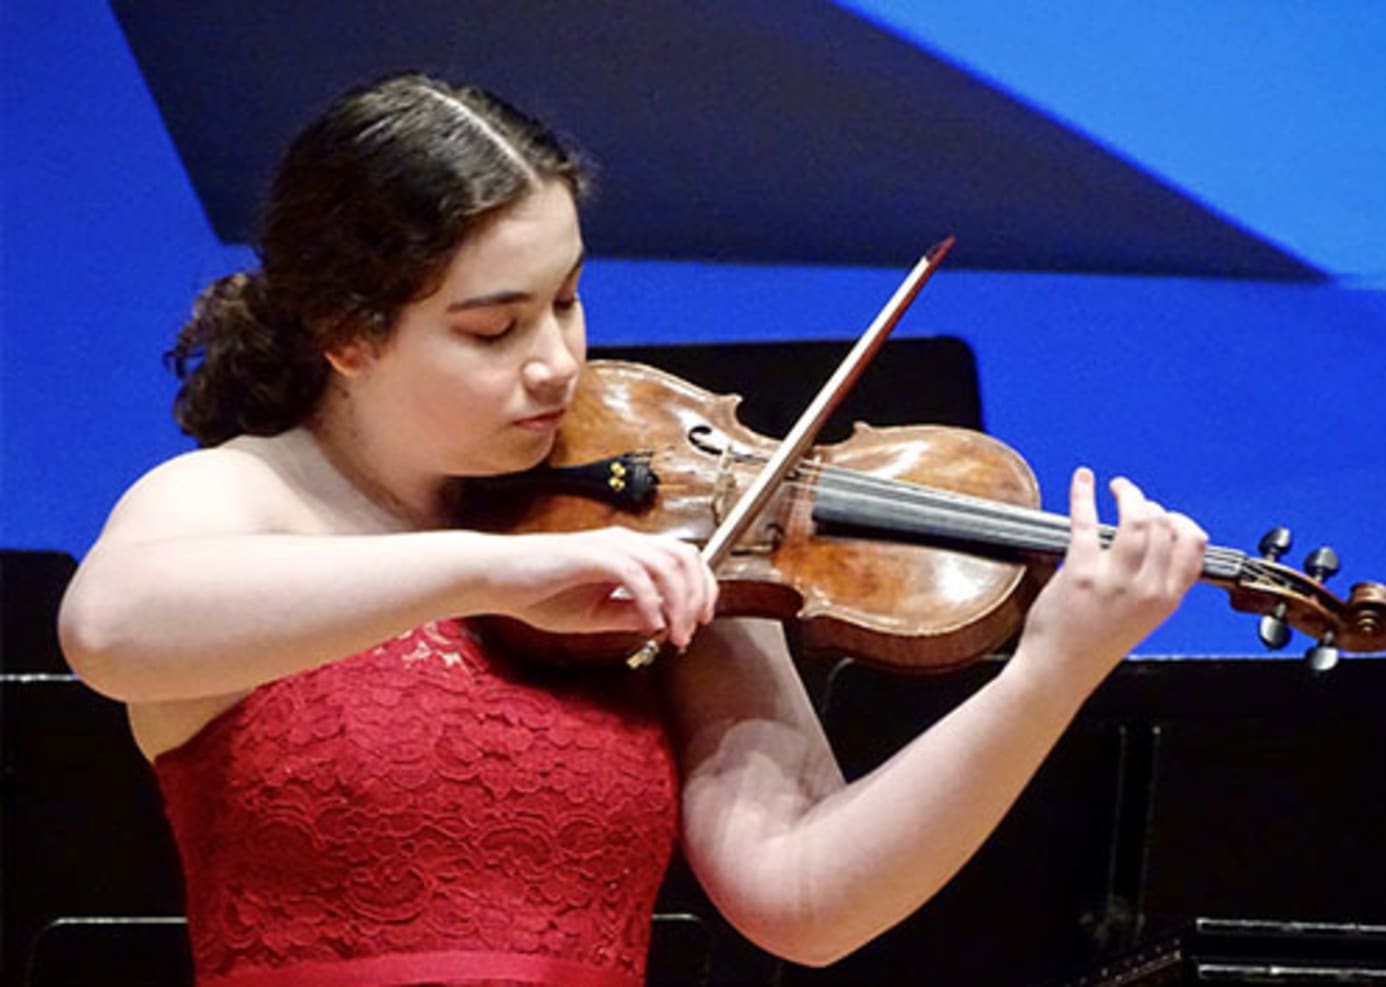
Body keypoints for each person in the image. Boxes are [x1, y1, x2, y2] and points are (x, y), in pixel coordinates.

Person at [58, 73, 1208, 987]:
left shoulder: (655, 527)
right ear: (346, 336)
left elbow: (807, 901)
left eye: (565, 298)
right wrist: (495, 573)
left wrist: (1049, 676)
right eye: (493, 328)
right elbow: (109, 633)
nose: (558, 361)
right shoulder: (240, 502)